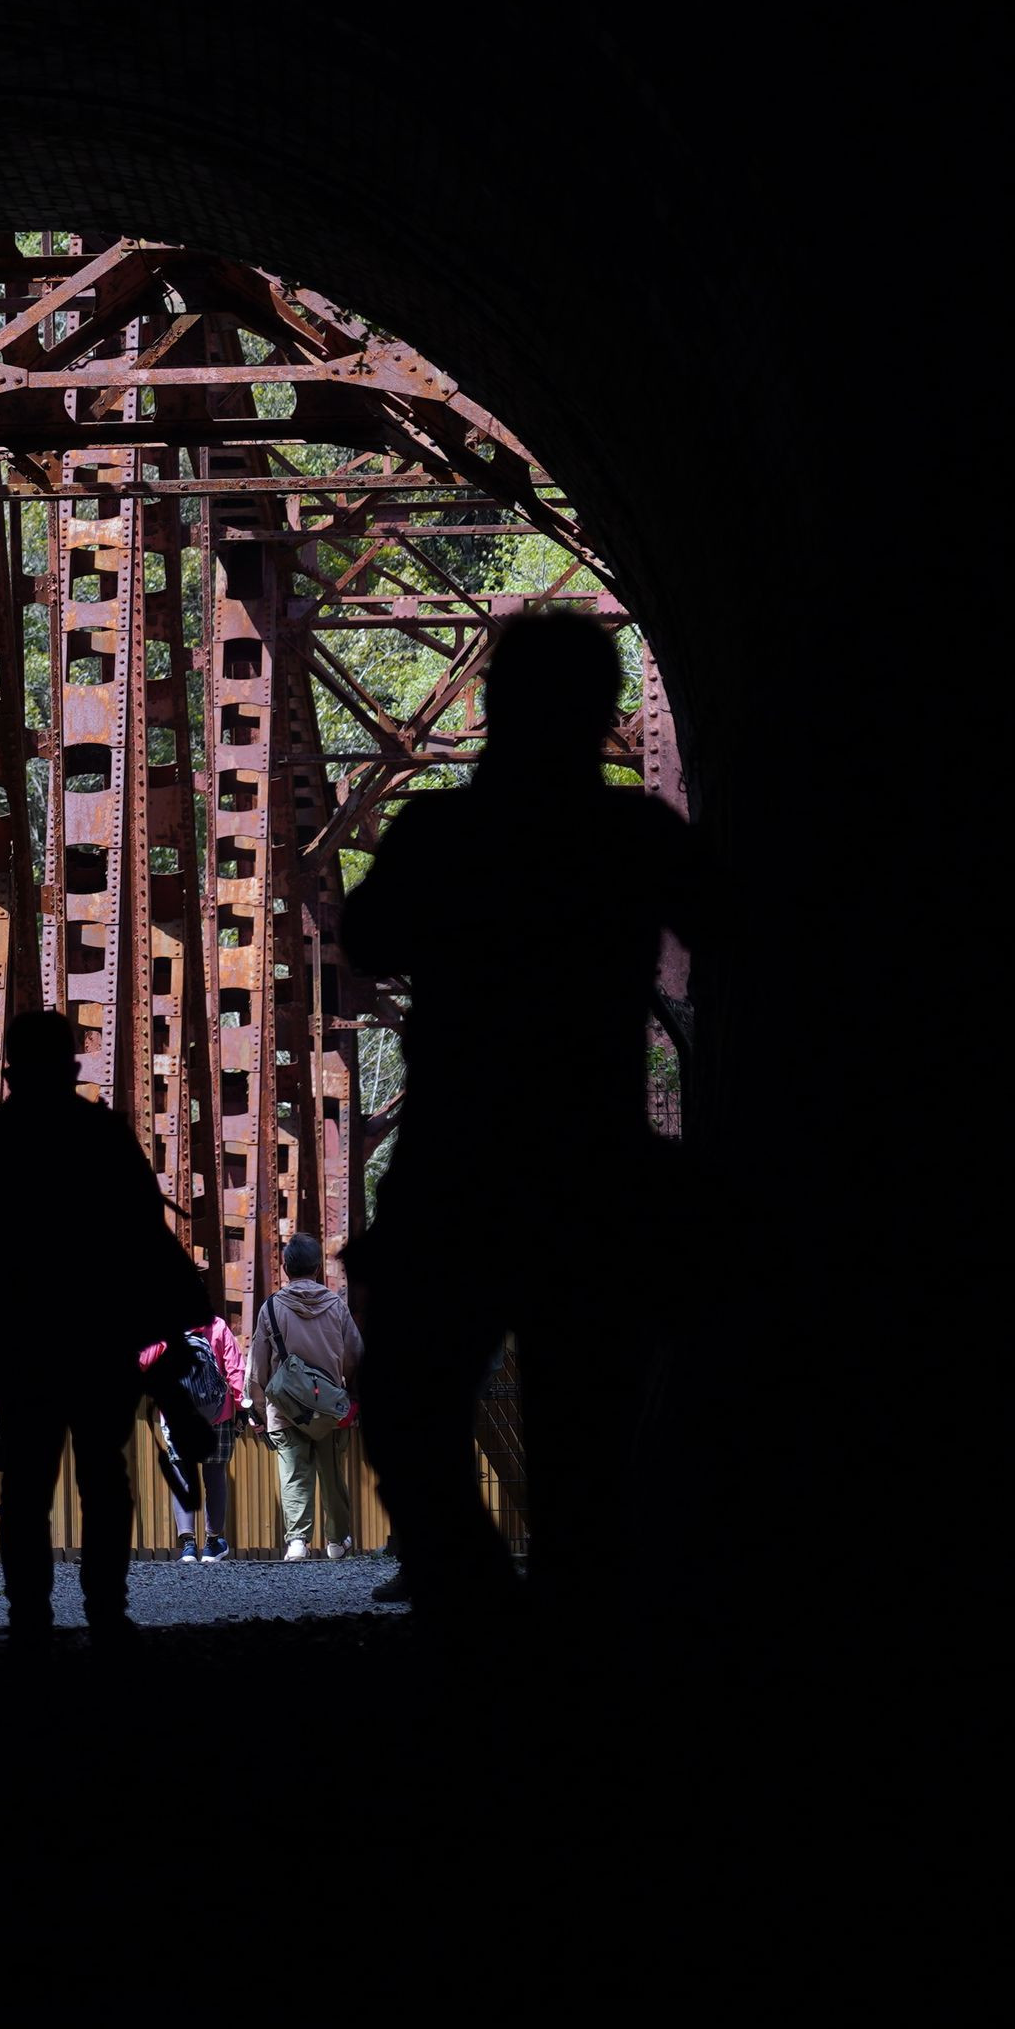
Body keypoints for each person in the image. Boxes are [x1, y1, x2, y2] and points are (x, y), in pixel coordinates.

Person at [339, 612, 702, 1640]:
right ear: (598, 715)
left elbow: (365, 941)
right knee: (586, 1429)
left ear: (495, 706)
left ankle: (478, 1606)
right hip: (594, 1171)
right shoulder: (635, 835)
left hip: (454, 1166)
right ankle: (578, 1634)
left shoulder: (440, 833)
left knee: (409, 1402)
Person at [0, 1009, 206, 1647]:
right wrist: (168, 1332)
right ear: (71, 1066)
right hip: (99, 1339)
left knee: (27, 1483)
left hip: (22, 1344)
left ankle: (30, 1617)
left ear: (10, 1070)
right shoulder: (103, 1138)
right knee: (104, 1477)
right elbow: (145, 1240)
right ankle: (106, 1611)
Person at [251, 1233, 364, 1562]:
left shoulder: (271, 1308)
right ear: (317, 1269)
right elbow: (355, 1358)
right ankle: (336, 1541)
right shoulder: (337, 1306)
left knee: (293, 1475)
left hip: (286, 1408)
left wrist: (260, 1413)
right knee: (332, 1475)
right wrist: (352, 1400)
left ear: (285, 1268)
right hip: (329, 1409)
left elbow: (257, 1368)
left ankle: (298, 1542)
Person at [139, 1312, 247, 1562]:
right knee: (215, 1476)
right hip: (217, 1414)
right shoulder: (217, 1325)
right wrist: (241, 1406)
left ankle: (188, 1546)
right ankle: (213, 1544)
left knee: (182, 1476)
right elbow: (235, 1368)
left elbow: (143, 1361)